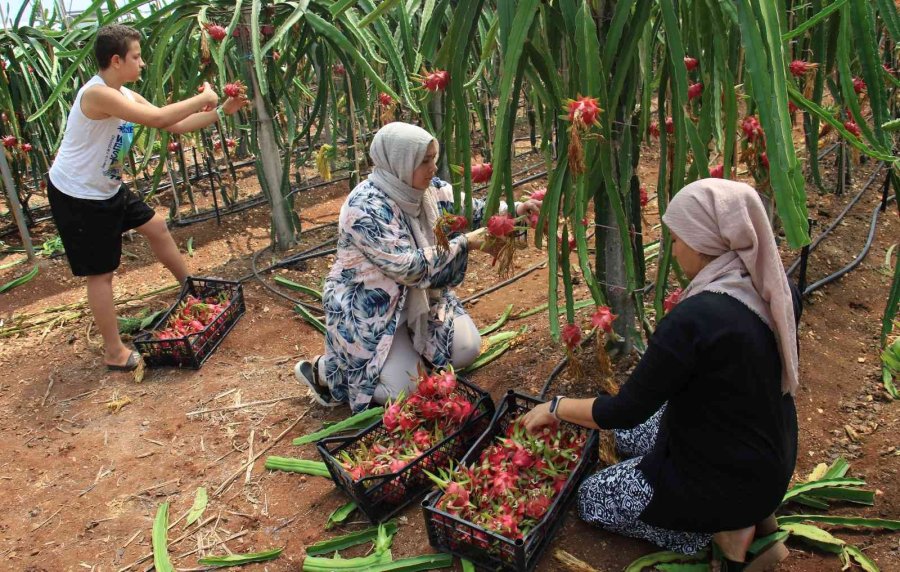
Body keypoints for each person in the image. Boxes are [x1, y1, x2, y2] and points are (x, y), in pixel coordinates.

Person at [521, 178, 800, 572]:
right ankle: (749, 515)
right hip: (769, 461)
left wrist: (556, 406)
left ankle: (721, 533)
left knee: (593, 499)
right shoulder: (772, 289)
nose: (673, 248)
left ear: (703, 241)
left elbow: (625, 410)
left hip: (723, 482)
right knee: (628, 439)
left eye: (677, 238)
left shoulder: (695, 319)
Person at [295, 122, 541, 412]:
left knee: (467, 349)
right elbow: (407, 267)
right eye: (424, 161)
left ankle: (410, 355)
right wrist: (465, 244)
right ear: (399, 162)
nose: (433, 168)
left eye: (434, 158)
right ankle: (328, 370)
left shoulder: (427, 190)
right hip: (373, 310)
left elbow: (469, 209)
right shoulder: (364, 208)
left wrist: (514, 210)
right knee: (406, 389)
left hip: (420, 299)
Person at [47, 24, 246, 371]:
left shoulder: (125, 94)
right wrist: (204, 97)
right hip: (79, 195)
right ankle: (114, 352)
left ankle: (191, 290)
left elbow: (173, 125)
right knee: (101, 274)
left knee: (156, 226)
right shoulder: (97, 94)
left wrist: (219, 112)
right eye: (136, 57)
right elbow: (158, 117)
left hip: (107, 187)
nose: (142, 63)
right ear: (116, 60)